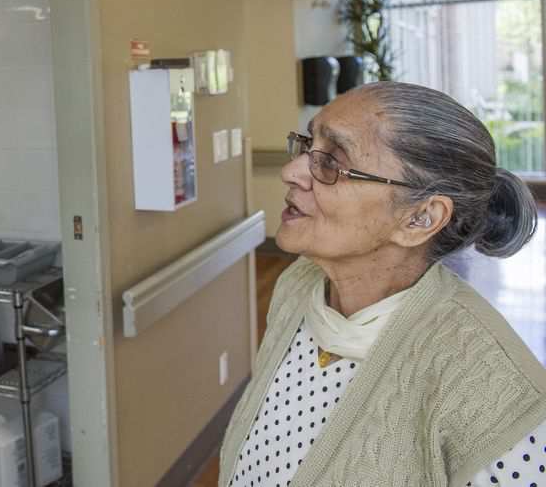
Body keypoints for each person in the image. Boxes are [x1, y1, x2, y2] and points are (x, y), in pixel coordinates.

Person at [219, 82, 546, 487]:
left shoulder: (496, 394)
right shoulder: (296, 285)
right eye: (307, 145)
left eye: (332, 163)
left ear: (420, 219)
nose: (291, 172)